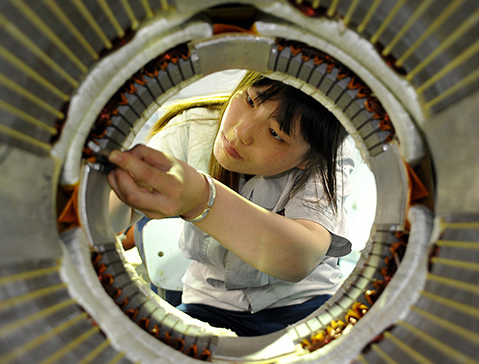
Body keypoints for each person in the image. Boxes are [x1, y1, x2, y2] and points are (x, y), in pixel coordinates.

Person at [108, 71, 353, 336]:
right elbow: (106, 219)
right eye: (250, 101)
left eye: (275, 133)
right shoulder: (193, 127)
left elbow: (299, 257)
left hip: (303, 305)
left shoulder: (325, 158)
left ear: (309, 157)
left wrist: (201, 200)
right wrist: (122, 184)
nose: (241, 132)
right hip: (208, 304)